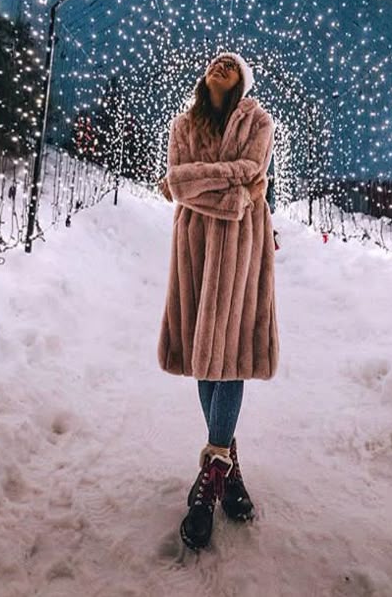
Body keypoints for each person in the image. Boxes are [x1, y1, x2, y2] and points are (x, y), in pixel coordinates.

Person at [157, 52, 279, 551]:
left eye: (231, 63)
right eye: (214, 61)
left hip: (244, 245)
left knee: (227, 354)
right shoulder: (183, 124)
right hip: (196, 245)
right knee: (204, 351)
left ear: (242, 78)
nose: (220, 63)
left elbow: (252, 168)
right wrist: (231, 194)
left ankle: (211, 475)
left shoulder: (259, 120)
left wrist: (195, 183)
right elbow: (175, 182)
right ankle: (227, 460)